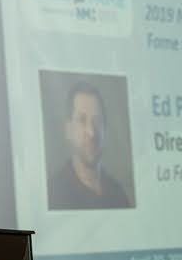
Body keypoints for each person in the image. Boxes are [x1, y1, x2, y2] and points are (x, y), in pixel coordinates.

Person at [48, 81, 133, 209]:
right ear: (68, 130)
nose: (91, 132)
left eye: (97, 121)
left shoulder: (118, 194)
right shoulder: (54, 193)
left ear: (105, 128)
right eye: (82, 120)